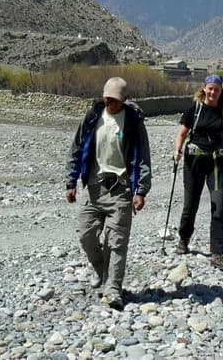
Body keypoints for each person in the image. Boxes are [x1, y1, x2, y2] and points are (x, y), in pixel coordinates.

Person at [64, 77, 152, 311]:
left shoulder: (133, 123)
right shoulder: (93, 117)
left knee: (116, 243)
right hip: (93, 186)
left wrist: (141, 190)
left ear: (124, 99)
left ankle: (113, 290)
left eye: (113, 100)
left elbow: (143, 158)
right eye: (106, 99)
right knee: (86, 235)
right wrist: (70, 182)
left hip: (121, 190)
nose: (109, 103)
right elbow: (76, 148)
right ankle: (102, 270)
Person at [171, 74, 223, 269]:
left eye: (216, 89)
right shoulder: (194, 109)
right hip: (193, 162)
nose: (212, 92)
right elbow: (182, 133)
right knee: (190, 205)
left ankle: (217, 253)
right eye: (210, 88)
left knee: (218, 208)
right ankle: (183, 239)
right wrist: (177, 150)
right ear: (204, 89)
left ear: (221, 91)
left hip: (217, 163)